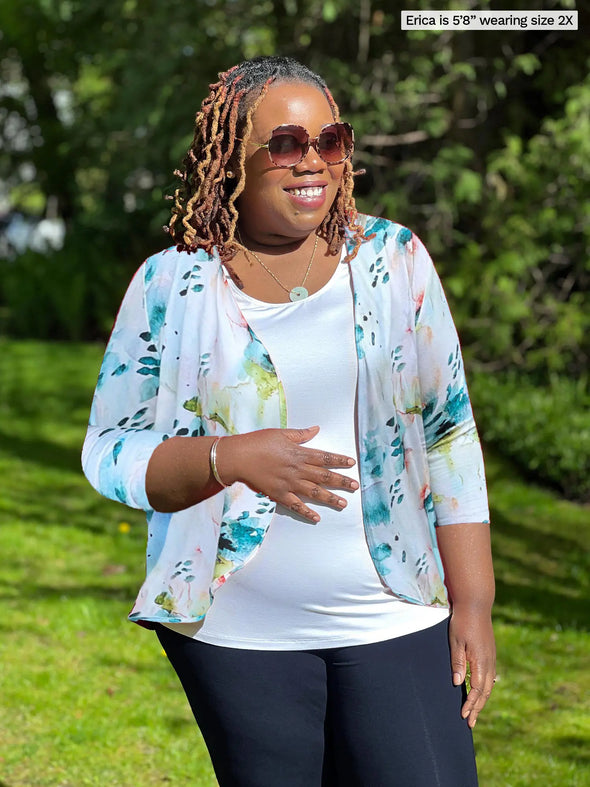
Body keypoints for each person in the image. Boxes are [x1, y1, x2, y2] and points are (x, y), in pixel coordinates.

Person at [82, 55, 496, 787]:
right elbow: (108, 452)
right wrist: (224, 457)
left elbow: (449, 432)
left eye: (330, 141)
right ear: (230, 159)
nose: (313, 161)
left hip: (395, 614)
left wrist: (475, 600)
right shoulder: (170, 283)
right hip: (237, 634)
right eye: (285, 144)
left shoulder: (394, 261)